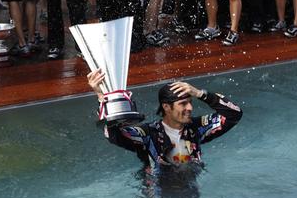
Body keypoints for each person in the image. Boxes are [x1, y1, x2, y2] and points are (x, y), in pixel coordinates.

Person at [87, 69, 243, 169]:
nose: (190, 108)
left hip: (189, 195)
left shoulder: (197, 129)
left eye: (190, 102)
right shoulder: (148, 134)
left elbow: (234, 114)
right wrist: (102, 97)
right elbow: (114, 134)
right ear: (167, 107)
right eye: (183, 104)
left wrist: (200, 93)